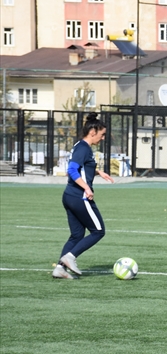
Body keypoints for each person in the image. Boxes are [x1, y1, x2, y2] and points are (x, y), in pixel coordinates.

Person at [54, 115, 113, 279]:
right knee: (99, 231)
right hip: (79, 197)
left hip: (69, 196)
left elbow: (80, 169)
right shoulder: (84, 148)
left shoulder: (80, 146)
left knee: (77, 235)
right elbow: (72, 171)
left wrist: (98, 172)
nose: (103, 138)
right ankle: (70, 257)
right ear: (93, 131)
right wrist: (87, 188)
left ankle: (59, 268)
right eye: (102, 134)